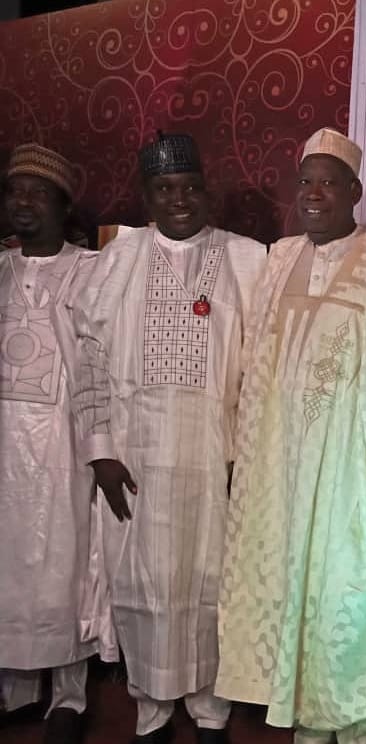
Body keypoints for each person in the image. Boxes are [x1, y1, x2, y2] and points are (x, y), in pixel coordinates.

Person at [216, 127, 366, 744]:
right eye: (305, 182)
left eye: (328, 183)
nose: (313, 194)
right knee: (292, 595)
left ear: (354, 192)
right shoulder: (279, 256)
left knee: (350, 594)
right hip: (278, 471)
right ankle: (307, 728)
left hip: (355, 466)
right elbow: (253, 364)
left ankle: (360, 729)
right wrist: (242, 452)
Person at [71, 132, 266, 744]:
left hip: (216, 455)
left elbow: (264, 365)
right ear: (147, 198)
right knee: (144, 587)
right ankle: (152, 710)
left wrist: (249, 454)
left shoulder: (247, 259)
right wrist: (100, 452)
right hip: (136, 457)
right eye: (164, 190)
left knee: (212, 582)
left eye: (189, 188)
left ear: (207, 193)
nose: (178, 199)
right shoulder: (119, 259)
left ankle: (212, 711)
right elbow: (90, 361)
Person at [0, 143, 105, 744]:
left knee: (65, 559)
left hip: (64, 442)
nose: (23, 202)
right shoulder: (2, 267)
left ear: (63, 205)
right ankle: (15, 688)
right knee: (11, 562)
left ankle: (69, 694)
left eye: (37, 193)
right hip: (7, 441)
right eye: (15, 191)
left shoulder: (88, 268)